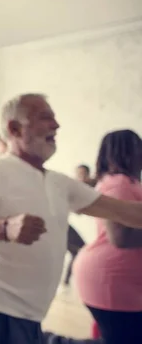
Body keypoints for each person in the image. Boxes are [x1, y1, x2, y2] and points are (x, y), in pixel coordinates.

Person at [0, 93, 142, 344]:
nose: (56, 125)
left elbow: (126, 212)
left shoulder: (60, 183)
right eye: (45, 118)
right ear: (14, 128)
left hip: (32, 313)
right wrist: (3, 228)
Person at [73, 129, 142, 344]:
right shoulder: (118, 183)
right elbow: (120, 237)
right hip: (112, 280)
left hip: (121, 279)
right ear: (128, 151)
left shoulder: (124, 182)